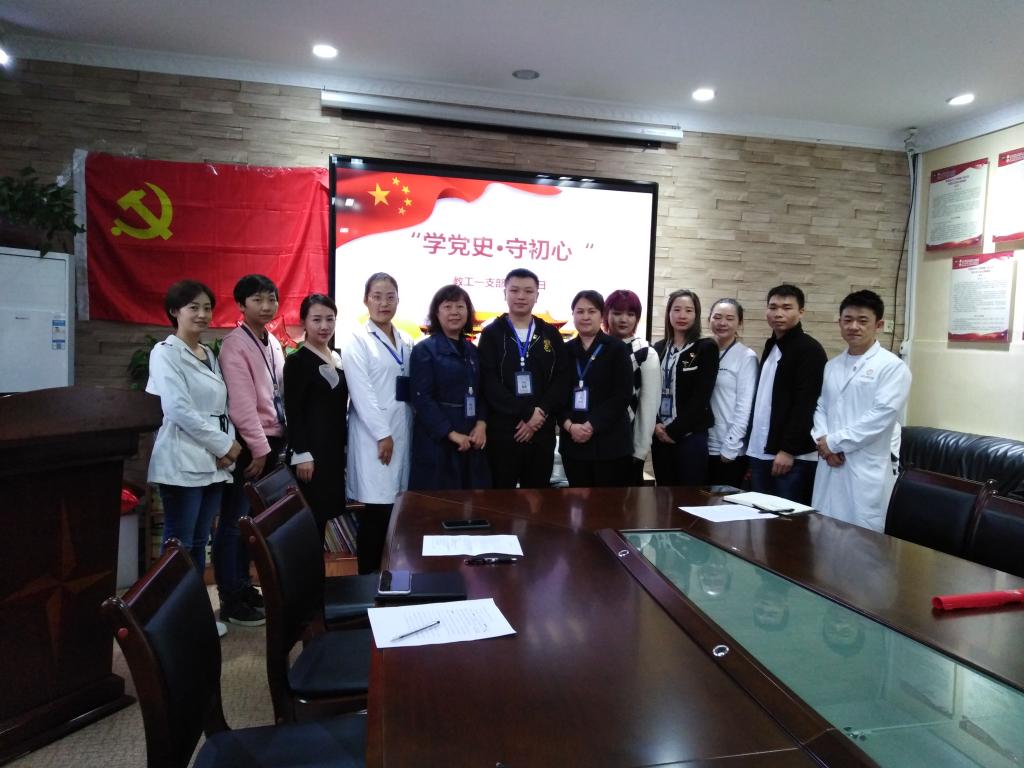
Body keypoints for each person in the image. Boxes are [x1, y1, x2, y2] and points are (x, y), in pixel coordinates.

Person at [146, 280, 241, 638]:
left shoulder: (208, 353)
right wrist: (223, 446)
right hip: (181, 460)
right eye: (193, 307)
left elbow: (220, 408)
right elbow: (178, 409)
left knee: (201, 542)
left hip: (213, 463)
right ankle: (170, 622)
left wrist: (224, 448)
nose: (202, 314)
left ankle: (193, 614)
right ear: (175, 312)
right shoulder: (165, 353)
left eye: (207, 307)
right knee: (179, 545)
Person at [216, 273, 285, 627]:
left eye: (271, 299)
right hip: (251, 445)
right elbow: (242, 406)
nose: (266, 306)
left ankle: (243, 586)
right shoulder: (234, 344)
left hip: (272, 441)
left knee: (252, 523)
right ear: (241, 305)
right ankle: (230, 597)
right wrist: (259, 450)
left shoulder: (271, 341)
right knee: (234, 522)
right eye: (257, 299)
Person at [811, 290, 911, 532]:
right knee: (823, 532)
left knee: (863, 540)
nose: (854, 326)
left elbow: (880, 416)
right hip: (830, 462)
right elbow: (822, 406)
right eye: (847, 320)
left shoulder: (892, 367)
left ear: (879, 325)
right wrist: (823, 442)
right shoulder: (832, 365)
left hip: (865, 467)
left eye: (862, 320)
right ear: (840, 323)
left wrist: (834, 443)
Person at [344, 272, 414, 573]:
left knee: (397, 512)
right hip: (376, 438)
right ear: (365, 300)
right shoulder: (357, 340)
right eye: (377, 297)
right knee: (376, 512)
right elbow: (362, 394)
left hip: (403, 432)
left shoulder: (407, 339)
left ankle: (391, 577)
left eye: (390, 297)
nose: (384, 303)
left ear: (398, 300)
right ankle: (367, 580)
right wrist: (383, 434)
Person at [478, 268, 571, 488]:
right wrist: (526, 413)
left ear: (537, 295)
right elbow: (489, 382)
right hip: (503, 431)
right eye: (514, 290)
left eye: (528, 291)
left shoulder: (550, 334)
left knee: (537, 498)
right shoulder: (492, 333)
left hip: (541, 430)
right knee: (501, 498)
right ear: (505, 293)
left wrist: (540, 413)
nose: (521, 296)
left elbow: (562, 378)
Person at [746, 284, 827, 505]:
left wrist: (788, 450)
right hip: (762, 450)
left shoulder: (809, 349)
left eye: (787, 307)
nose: (778, 313)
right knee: (759, 517)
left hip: (791, 457)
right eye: (773, 307)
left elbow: (806, 405)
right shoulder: (772, 344)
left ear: (801, 312)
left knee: (786, 520)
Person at [409, 284, 491, 490]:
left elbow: (482, 392)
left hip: (471, 437)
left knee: (473, 500)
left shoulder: (473, 351)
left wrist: (481, 424)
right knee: (440, 502)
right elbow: (422, 399)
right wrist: (450, 433)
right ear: (436, 313)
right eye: (447, 307)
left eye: (460, 306)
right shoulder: (424, 350)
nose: (454, 312)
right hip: (438, 441)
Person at [283, 293, 348, 538]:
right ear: (304, 322)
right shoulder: (297, 361)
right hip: (310, 455)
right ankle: (308, 565)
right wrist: (302, 453)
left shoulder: (336, 358)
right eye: (317, 319)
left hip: (332, 452)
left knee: (326, 513)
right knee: (311, 520)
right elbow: (293, 411)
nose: (324, 326)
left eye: (330, 319)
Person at [557, 290, 633, 487]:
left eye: (591, 311)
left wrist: (591, 425)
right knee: (577, 503)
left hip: (610, 444)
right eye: (580, 311)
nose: (585, 316)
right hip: (573, 444)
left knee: (608, 504)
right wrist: (570, 426)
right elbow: (556, 395)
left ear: (602, 315)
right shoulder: (564, 351)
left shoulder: (617, 348)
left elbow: (622, 395)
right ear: (573, 315)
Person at [651, 289, 719, 485]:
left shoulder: (705, 347)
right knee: (663, 493)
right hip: (660, 434)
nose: (682, 315)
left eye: (689, 310)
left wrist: (674, 431)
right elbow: (650, 391)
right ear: (668, 313)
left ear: (696, 315)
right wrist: (656, 425)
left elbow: (701, 396)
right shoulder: (658, 348)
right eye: (677, 309)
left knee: (690, 495)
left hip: (690, 435)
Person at [603, 289, 660, 485]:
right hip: (594, 443)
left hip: (627, 445)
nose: (623, 319)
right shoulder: (597, 346)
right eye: (617, 313)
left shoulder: (644, 352)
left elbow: (648, 404)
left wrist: (640, 450)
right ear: (606, 314)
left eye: (630, 314)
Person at [706, 298, 758, 488]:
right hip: (702, 443)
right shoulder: (703, 351)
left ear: (739, 323)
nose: (722, 323)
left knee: (722, 502)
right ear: (709, 319)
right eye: (717, 317)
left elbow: (745, 406)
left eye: (729, 318)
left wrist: (731, 446)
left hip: (727, 447)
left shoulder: (746, 357)